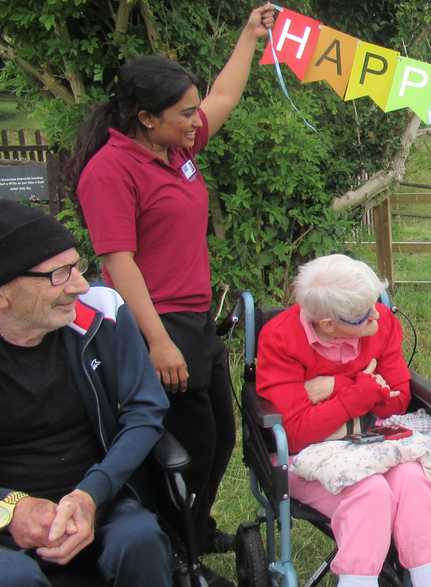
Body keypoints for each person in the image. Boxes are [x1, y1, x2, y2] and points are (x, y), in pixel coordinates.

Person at [65, 3, 276, 564]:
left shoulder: (175, 149)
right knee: (185, 446)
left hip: (197, 319)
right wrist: (157, 341)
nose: (194, 120)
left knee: (222, 438)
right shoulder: (110, 172)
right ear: (144, 116)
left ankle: (193, 532)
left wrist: (249, 36)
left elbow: (223, 98)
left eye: (191, 111)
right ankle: (171, 550)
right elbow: (118, 262)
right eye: (182, 112)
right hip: (155, 322)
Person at [0, 201, 171, 586]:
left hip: (101, 497)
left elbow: (146, 409)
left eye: (78, 265)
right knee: (13, 577)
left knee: (140, 541)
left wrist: (90, 495)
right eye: (60, 274)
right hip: (6, 516)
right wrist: (10, 508)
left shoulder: (101, 310)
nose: (80, 284)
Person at [256, 255, 431, 587]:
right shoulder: (281, 338)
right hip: (306, 457)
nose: (378, 314)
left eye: (375, 302)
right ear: (327, 323)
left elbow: (397, 400)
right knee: (369, 492)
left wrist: (338, 387)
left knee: (414, 481)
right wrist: (366, 389)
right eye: (364, 315)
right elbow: (299, 432)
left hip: (378, 443)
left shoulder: (382, 323)